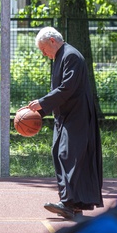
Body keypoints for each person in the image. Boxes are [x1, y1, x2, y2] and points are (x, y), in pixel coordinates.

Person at [27, 27, 103, 221]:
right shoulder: (61, 56)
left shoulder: (71, 56)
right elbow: (62, 92)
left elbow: (67, 88)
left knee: (67, 154)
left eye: (44, 49)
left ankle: (69, 203)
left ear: (52, 40)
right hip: (65, 116)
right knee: (61, 153)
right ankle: (74, 204)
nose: (43, 54)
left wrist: (42, 103)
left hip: (77, 116)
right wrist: (40, 112)